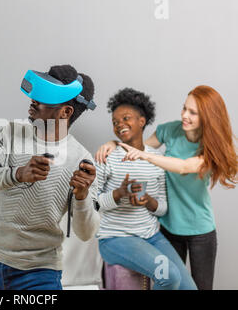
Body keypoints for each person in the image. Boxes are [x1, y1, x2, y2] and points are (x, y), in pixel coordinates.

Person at [0, 65, 100, 290]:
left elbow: (86, 233)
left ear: (66, 112)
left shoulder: (81, 160)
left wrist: (82, 196)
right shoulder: (10, 133)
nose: (34, 100)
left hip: (39, 274)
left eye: (45, 97)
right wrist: (18, 174)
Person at [95, 85, 237, 290]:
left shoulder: (210, 147)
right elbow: (138, 145)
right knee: (170, 279)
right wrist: (114, 143)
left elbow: (183, 167)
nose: (184, 115)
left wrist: (145, 157)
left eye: (193, 112)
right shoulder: (170, 130)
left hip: (199, 229)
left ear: (207, 117)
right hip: (169, 227)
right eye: (184, 108)